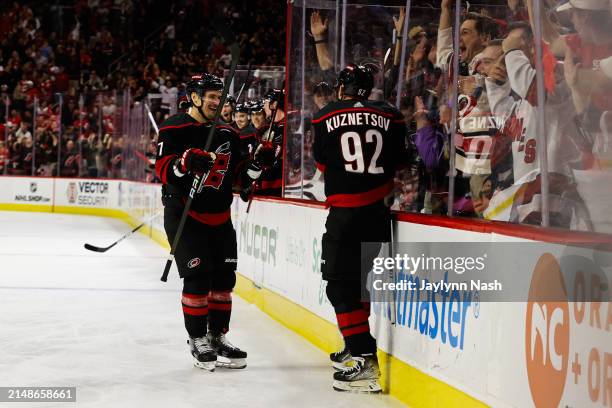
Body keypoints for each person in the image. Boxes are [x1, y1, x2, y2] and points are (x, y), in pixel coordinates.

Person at [155, 73, 272, 371]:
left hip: (219, 216)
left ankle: (217, 336)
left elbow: (241, 177)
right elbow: (163, 168)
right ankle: (197, 339)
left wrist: (258, 166)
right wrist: (184, 163)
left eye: (219, 97)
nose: (216, 102)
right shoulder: (175, 127)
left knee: (223, 281)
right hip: (185, 214)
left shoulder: (228, 132)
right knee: (197, 278)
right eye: (210, 97)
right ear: (194, 97)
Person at [312, 64, 407, 393]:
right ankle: (355, 347)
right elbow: (399, 158)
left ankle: (365, 358)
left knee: (339, 286)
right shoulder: (391, 115)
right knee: (359, 283)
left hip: (345, 214)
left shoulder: (326, 115)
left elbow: (323, 164)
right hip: (377, 213)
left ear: (342, 88)